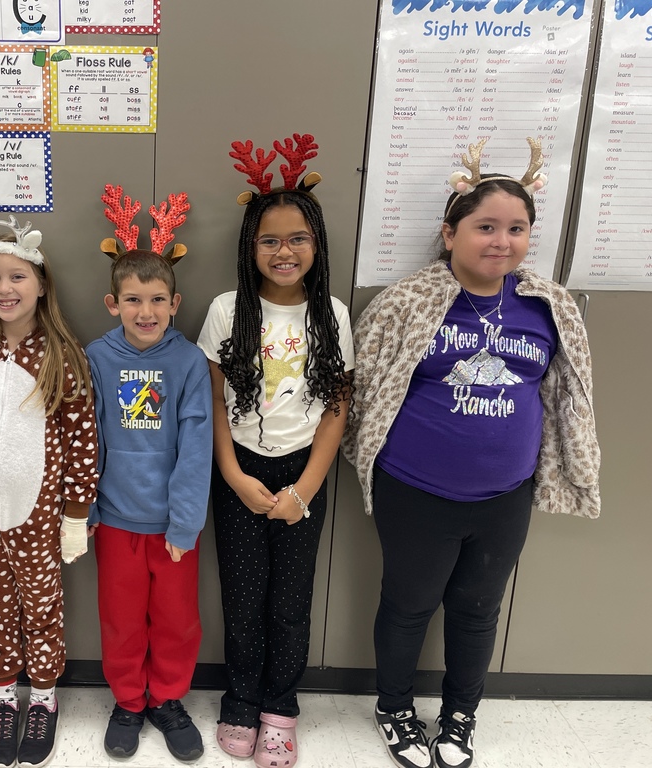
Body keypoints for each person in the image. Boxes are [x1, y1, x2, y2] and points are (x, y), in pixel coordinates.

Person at [343, 137, 600, 768]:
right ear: (451, 231)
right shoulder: (407, 301)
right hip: (416, 490)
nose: (501, 241)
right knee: (407, 605)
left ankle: (461, 715)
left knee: (478, 609)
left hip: (505, 495)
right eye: (485, 226)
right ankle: (395, 708)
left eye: (516, 229)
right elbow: (363, 390)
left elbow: (570, 394)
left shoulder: (549, 307)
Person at [197, 134, 354, 768]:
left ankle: (280, 707)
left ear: (316, 245)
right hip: (239, 468)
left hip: (302, 474)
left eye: (297, 239)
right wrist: (232, 474)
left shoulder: (332, 314)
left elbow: (337, 408)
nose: (283, 251)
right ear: (249, 247)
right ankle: (241, 698)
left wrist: (304, 491)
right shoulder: (225, 310)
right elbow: (211, 400)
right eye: (269, 240)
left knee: (290, 601)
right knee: (241, 596)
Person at [0, 217, 99, 768]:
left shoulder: (60, 353)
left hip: (39, 513)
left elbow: (83, 438)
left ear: (40, 285)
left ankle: (45, 697)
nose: (4, 289)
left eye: (16, 277)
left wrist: (76, 512)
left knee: (41, 605)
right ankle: (4, 696)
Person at [86, 186, 213, 762]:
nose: (146, 312)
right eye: (133, 300)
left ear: (175, 302)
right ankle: (129, 701)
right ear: (113, 303)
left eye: (157, 300)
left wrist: (185, 524)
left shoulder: (187, 361)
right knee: (120, 618)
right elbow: (84, 441)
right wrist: (83, 512)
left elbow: (195, 447)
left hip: (172, 525)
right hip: (114, 520)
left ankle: (166, 698)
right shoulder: (96, 357)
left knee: (176, 620)